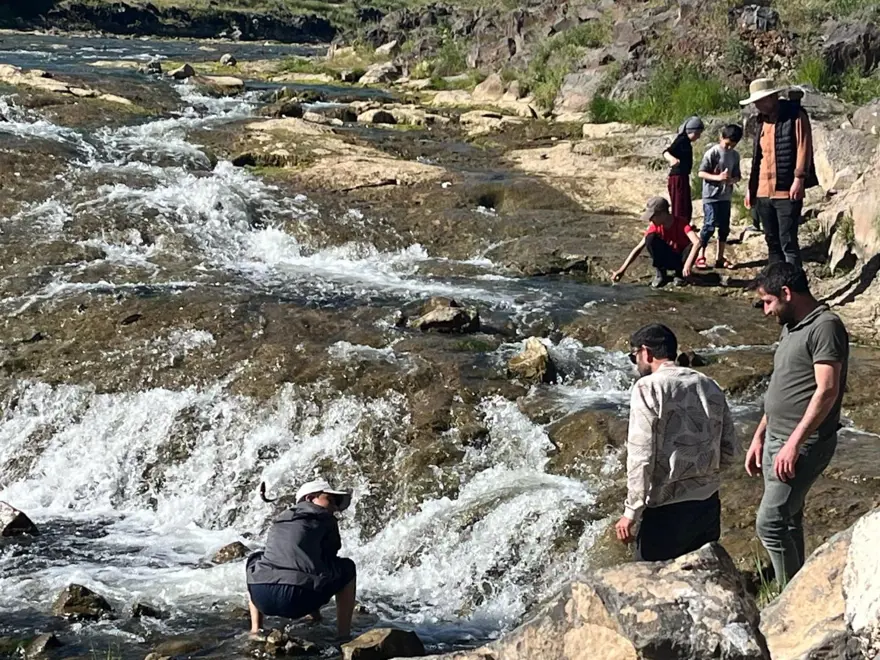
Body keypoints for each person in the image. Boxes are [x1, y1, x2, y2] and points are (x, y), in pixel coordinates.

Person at [746, 263, 849, 584]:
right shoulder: (791, 325)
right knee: (789, 519)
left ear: (787, 293)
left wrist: (794, 443)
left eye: (767, 302)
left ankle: (786, 594)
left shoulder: (825, 326)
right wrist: (760, 434)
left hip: (803, 442)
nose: (765, 311)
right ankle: (797, 583)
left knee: (770, 524)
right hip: (776, 437)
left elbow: (827, 389)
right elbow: (783, 383)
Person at [615, 323, 736, 561]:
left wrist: (631, 511)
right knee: (701, 584)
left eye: (634, 356)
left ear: (646, 352)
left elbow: (642, 454)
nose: (635, 362)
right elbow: (730, 449)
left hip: (666, 512)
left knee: (652, 586)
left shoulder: (648, 387)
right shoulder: (708, 384)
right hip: (708, 505)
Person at [246, 478, 357, 640]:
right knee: (347, 567)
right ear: (310, 498)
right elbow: (325, 562)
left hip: (262, 596)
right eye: (330, 500)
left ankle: (255, 629)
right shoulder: (325, 518)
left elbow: (304, 561)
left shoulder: (279, 520)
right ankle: (344, 636)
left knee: (255, 559)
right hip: (299, 599)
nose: (334, 507)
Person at [740, 79, 818, 269]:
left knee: (788, 243)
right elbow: (758, 158)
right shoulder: (761, 122)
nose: (757, 105)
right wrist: (751, 189)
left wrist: (799, 179)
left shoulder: (796, 117)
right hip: (763, 192)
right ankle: (776, 290)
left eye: (760, 101)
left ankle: (797, 291)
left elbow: (803, 149)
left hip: (786, 191)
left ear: (772, 97)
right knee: (772, 243)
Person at [611, 196, 700, 288]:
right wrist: (622, 270)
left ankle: (680, 274)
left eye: (652, 216)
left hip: (681, 259)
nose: (650, 220)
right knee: (650, 238)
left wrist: (687, 265)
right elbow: (638, 248)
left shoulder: (681, 223)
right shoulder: (654, 226)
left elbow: (697, 242)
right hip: (667, 258)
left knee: (691, 246)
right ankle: (661, 273)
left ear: (662, 214)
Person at [696, 124, 743, 270]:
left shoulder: (735, 155)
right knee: (709, 226)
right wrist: (718, 177)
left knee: (724, 227)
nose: (729, 148)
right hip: (711, 195)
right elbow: (701, 173)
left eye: (732, 146)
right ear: (721, 138)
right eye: (727, 144)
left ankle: (720, 257)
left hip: (725, 196)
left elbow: (738, 176)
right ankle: (700, 255)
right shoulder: (713, 153)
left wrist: (731, 180)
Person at [663, 116, 704, 222]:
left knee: (685, 205)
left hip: (683, 176)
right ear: (691, 131)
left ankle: (684, 227)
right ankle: (678, 229)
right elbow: (666, 152)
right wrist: (672, 159)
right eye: (697, 133)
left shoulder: (686, 142)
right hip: (677, 177)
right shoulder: (681, 140)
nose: (698, 137)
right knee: (679, 205)